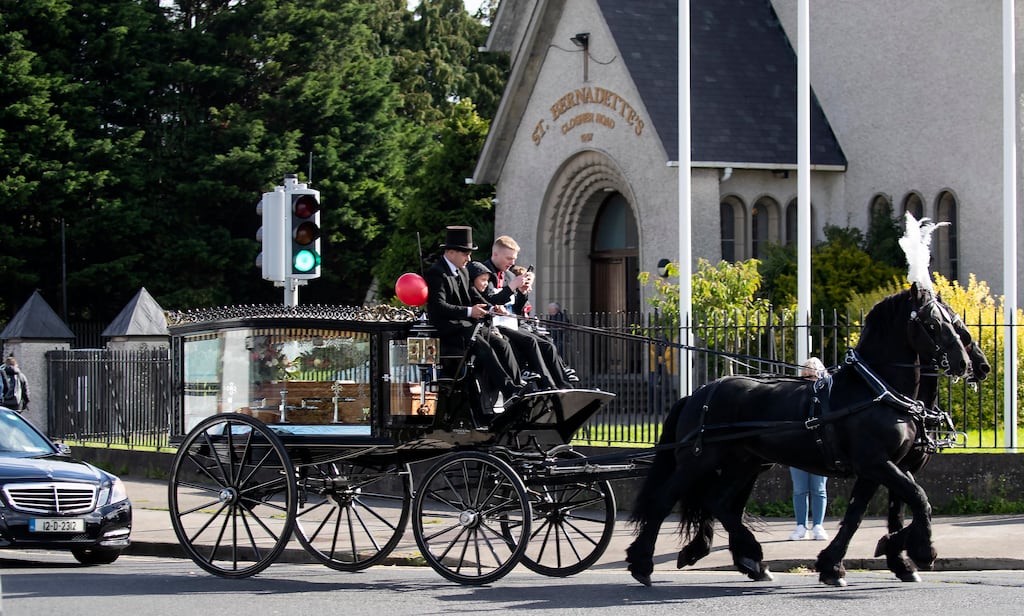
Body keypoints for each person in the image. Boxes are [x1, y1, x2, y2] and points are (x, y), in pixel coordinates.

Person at [423, 226, 526, 406]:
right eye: (465, 254)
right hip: (449, 330)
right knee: (483, 347)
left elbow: (472, 297)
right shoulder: (436, 273)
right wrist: (470, 311)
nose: (469, 258)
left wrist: (493, 307)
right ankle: (509, 390)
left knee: (501, 343)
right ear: (451, 252)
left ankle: (517, 385)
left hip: (466, 326)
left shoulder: (462, 271)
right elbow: (439, 307)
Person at [466, 261, 565, 390]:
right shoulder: (485, 283)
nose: (512, 262)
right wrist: (510, 289)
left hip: (511, 324)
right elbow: (490, 301)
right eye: (483, 280)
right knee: (523, 342)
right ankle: (534, 384)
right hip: (496, 327)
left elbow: (512, 307)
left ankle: (561, 382)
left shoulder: (508, 277)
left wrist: (522, 293)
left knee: (547, 343)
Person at [789, 357, 828, 541]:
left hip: (819, 447)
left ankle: (818, 525)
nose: (808, 380)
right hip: (798, 447)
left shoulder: (824, 394)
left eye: (811, 376)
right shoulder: (795, 395)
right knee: (799, 489)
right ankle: (800, 526)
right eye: (805, 376)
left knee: (819, 489)